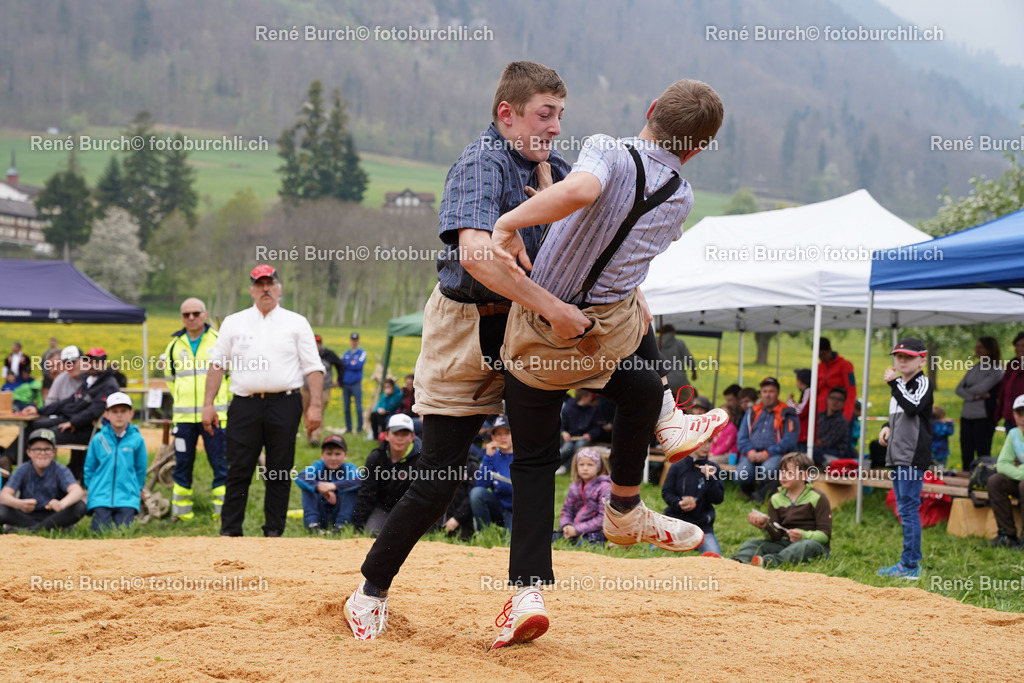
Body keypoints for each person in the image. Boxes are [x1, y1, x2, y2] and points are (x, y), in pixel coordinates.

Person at [344, 60, 585, 643]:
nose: (555, 127)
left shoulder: (558, 170)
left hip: (526, 327)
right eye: (544, 114)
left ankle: (528, 592)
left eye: (560, 115)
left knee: (535, 457)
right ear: (507, 113)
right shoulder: (479, 163)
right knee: (440, 478)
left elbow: (601, 232)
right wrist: (553, 306)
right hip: (465, 325)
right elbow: (478, 257)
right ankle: (369, 591)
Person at [490, 78, 728, 648]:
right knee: (639, 355)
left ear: (649, 110)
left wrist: (509, 222)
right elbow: (627, 245)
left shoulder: (607, 148)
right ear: (697, 148)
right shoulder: (683, 195)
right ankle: (631, 491)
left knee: (532, 465)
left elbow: (581, 194)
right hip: (604, 332)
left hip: (540, 333)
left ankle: (526, 594)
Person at [202, 265, 323, 538]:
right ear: (252, 290)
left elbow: (313, 367)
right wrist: (208, 404)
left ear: (279, 289)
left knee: (279, 470)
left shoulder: (296, 322)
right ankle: (230, 531)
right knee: (239, 468)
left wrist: (314, 406)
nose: (265, 289)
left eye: (270, 284)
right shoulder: (234, 322)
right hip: (245, 404)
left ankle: (273, 532)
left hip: (285, 403)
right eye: (260, 284)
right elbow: (218, 365)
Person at [163, 297, 231, 522]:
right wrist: (183, 401)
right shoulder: (173, 345)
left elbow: (231, 377)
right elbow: (170, 380)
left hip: (214, 417)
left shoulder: (219, 341)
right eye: (186, 315)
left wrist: (222, 402)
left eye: (196, 313)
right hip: (184, 419)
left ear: (205, 314)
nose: (191, 318)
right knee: (182, 465)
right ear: (181, 317)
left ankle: (222, 513)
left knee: (219, 463)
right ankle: (181, 514)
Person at [876, 337, 933, 581]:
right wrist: (887, 426)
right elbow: (902, 413)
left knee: (909, 508)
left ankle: (910, 564)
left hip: (912, 457)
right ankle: (907, 561)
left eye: (908, 357)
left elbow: (913, 407)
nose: (902, 360)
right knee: (904, 508)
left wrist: (894, 384)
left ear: (922, 359)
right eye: (899, 356)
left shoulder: (922, 383)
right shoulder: (899, 387)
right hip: (898, 456)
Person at [16, 348, 120, 480]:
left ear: (104, 363)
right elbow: (67, 401)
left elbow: (94, 411)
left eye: (97, 362)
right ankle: (14, 464)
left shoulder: (108, 384)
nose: (93, 365)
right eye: (90, 361)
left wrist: (73, 422)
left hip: (84, 429)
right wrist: (38, 410)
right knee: (32, 425)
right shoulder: (90, 381)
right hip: (70, 422)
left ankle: (34, 475)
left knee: (42, 435)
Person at [732, 451, 832, 568]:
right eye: (781, 472)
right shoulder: (776, 498)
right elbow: (776, 536)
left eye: (789, 473)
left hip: (813, 545)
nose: (783, 476)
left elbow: (825, 535)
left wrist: (803, 535)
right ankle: (737, 562)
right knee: (752, 544)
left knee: (804, 546)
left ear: (804, 476)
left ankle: (769, 562)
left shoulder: (818, 497)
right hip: (784, 543)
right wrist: (765, 525)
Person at [83, 392, 148, 532]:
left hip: (127, 496)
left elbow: (140, 468)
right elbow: (89, 467)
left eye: (123, 411)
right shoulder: (98, 439)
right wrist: (93, 488)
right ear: (107, 414)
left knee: (124, 531)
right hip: (101, 495)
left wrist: (136, 489)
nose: (119, 415)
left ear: (131, 413)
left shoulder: (137, 440)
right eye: (114, 411)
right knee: (100, 531)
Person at [0, 428, 86, 531]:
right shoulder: (23, 469)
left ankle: (31, 530)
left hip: (54, 515)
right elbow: (4, 495)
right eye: (37, 449)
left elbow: (77, 491)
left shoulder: (60, 469)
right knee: (2, 510)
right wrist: (19, 504)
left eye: (47, 449)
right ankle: (47, 529)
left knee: (80, 506)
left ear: (53, 452)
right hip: (27, 515)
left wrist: (61, 504)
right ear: (29, 452)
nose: (42, 453)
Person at [352, 413, 422, 536]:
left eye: (405, 434)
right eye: (395, 434)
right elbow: (367, 492)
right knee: (372, 532)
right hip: (384, 508)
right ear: (387, 435)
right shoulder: (375, 457)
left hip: (412, 510)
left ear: (412, 437)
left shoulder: (421, 459)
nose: (400, 439)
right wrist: (358, 525)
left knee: (409, 535)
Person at [736, 377, 799, 502]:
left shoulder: (788, 413)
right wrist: (750, 452)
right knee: (739, 475)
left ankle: (763, 496)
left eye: (771, 391)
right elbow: (741, 437)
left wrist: (767, 453)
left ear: (778, 393)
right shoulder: (752, 411)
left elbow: (790, 440)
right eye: (764, 391)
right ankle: (749, 492)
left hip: (776, 454)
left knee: (767, 471)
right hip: (752, 454)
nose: (767, 395)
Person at [662, 439, 724, 555]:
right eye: (703, 442)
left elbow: (718, 499)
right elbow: (666, 492)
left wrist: (710, 479)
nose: (706, 446)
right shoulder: (677, 466)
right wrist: (678, 503)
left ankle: (694, 543)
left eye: (709, 442)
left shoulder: (713, 468)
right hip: (676, 522)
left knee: (715, 555)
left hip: (702, 526)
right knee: (655, 550)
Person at [954, 336, 1003, 471]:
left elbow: (982, 388)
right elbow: (959, 389)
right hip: (967, 415)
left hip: (983, 417)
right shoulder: (974, 368)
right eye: (977, 347)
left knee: (982, 453)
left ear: (989, 349)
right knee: (966, 452)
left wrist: (970, 392)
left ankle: (981, 479)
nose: (977, 350)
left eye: (980, 347)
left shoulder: (996, 370)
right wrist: (975, 397)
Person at [295, 434, 361, 532]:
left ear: (345, 455)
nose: (333, 458)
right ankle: (312, 525)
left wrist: (334, 486)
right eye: (329, 454)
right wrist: (318, 488)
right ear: (322, 455)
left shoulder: (350, 468)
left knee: (351, 490)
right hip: (321, 512)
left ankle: (341, 526)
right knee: (308, 488)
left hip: (341, 511)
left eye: (337, 454)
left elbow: (360, 480)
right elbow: (301, 476)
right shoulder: (318, 466)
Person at [986, 394, 1024, 548]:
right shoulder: (1014, 434)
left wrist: (1019, 470)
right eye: (1019, 414)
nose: (1022, 418)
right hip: (1021, 479)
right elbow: (1002, 464)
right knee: (995, 481)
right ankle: (1008, 535)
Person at [556, 448, 611, 545]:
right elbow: (567, 510)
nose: (585, 468)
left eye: (590, 464)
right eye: (581, 464)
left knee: (584, 543)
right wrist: (566, 525)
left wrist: (577, 530)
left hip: (597, 531)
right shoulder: (574, 486)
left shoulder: (605, 487)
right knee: (552, 538)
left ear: (598, 467)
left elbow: (603, 518)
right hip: (574, 528)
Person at [471, 414, 515, 532]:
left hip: (520, 510)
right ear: (493, 437)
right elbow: (481, 485)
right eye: (499, 434)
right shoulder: (491, 456)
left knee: (511, 544)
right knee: (477, 493)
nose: (503, 437)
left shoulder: (522, 456)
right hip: (500, 508)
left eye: (507, 433)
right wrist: (488, 458)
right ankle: (483, 533)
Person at [303, 335, 345, 446]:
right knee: (306, 412)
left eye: (318, 343)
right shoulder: (306, 353)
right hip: (306, 389)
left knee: (318, 412)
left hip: (324, 388)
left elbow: (340, 365)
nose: (316, 346)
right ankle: (309, 435)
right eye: (314, 343)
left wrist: (339, 380)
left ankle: (316, 437)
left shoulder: (328, 354)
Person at [556, 389, 602, 474]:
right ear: (584, 397)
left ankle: (566, 467)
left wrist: (590, 435)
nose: (591, 399)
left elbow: (596, 428)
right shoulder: (568, 408)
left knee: (579, 447)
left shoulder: (592, 410)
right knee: (566, 449)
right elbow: (562, 426)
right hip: (570, 438)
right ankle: (554, 465)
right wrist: (564, 433)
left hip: (584, 439)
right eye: (589, 397)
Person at [817, 337, 857, 420]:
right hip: (821, 413)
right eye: (818, 356)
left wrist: (846, 415)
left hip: (839, 413)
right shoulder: (819, 367)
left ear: (829, 350)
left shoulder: (845, 366)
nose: (821, 358)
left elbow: (851, 391)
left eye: (823, 354)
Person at [812, 387, 852, 465]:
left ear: (843, 403)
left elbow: (824, 443)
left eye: (839, 400)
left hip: (834, 452)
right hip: (819, 449)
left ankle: (831, 463)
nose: (835, 402)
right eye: (833, 398)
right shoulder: (820, 416)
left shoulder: (841, 421)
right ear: (827, 399)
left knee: (808, 450)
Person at [995, 333, 1024, 433]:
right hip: (1010, 418)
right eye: (1017, 345)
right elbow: (1003, 390)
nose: (1019, 348)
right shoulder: (1012, 364)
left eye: (1023, 345)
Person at [658, 324, 696, 398]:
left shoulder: (656, 343)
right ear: (673, 332)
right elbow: (688, 358)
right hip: (680, 382)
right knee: (687, 405)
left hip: (663, 382)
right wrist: (694, 371)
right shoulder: (679, 343)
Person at [340, 333, 367, 435]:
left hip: (356, 383)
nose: (354, 342)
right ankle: (349, 428)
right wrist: (350, 363)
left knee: (358, 407)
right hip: (346, 383)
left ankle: (359, 428)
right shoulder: (346, 353)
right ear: (350, 341)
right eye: (352, 340)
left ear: (358, 341)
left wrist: (348, 364)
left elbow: (358, 366)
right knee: (346, 407)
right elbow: (341, 364)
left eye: (355, 340)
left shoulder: (362, 353)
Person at [788, 368, 812, 450]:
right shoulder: (807, 392)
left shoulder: (809, 392)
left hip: (804, 434)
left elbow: (800, 412)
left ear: (800, 382)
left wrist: (790, 402)